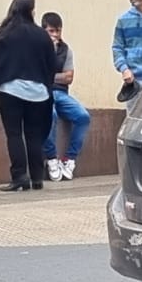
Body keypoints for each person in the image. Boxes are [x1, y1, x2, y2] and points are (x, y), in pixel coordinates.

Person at [0, 0, 60, 192]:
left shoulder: (4, 34)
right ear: (30, 11)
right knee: (34, 135)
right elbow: (52, 66)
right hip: (39, 94)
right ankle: (37, 178)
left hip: (11, 91)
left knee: (14, 134)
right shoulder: (42, 36)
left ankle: (19, 177)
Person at [40, 12, 91, 182]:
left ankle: (69, 160)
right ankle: (52, 159)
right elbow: (36, 75)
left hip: (61, 93)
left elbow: (68, 77)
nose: (55, 35)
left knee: (83, 116)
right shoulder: (37, 48)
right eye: (51, 31)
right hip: (43, 92)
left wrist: (48, 74)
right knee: (50, 115)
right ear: (43, 31)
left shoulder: (65, 50)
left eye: (58, 31)